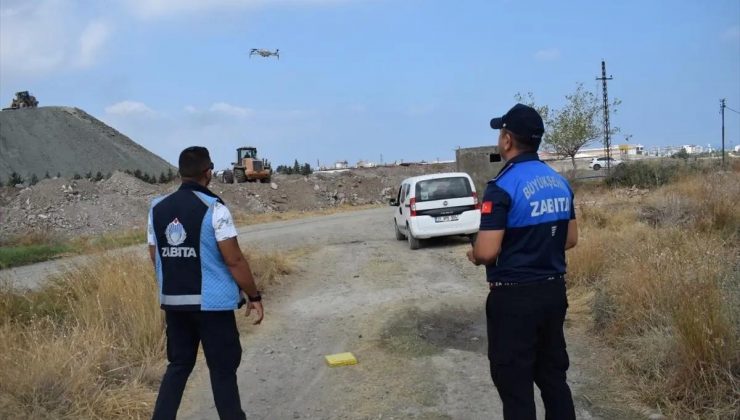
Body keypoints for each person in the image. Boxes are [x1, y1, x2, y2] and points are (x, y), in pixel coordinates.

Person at [467, 104, 578, 420]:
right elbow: (570, 239)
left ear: (506, 140)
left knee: (516, 390)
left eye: (501, 133)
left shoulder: (501, 187)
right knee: (554, 380)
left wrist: (474, 254)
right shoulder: (559, 182)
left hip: (514, 299)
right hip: (553, 293)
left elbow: (487, 252)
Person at [148, 146, 264, 420]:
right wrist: (254, 295)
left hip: (175, 304)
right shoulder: (215, 208)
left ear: (180, 173)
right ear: (208, 173)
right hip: (212, 305)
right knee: (223, 369)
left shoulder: (156, 208)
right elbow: (234, 259)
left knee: (178, 365)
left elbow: (156, 255)